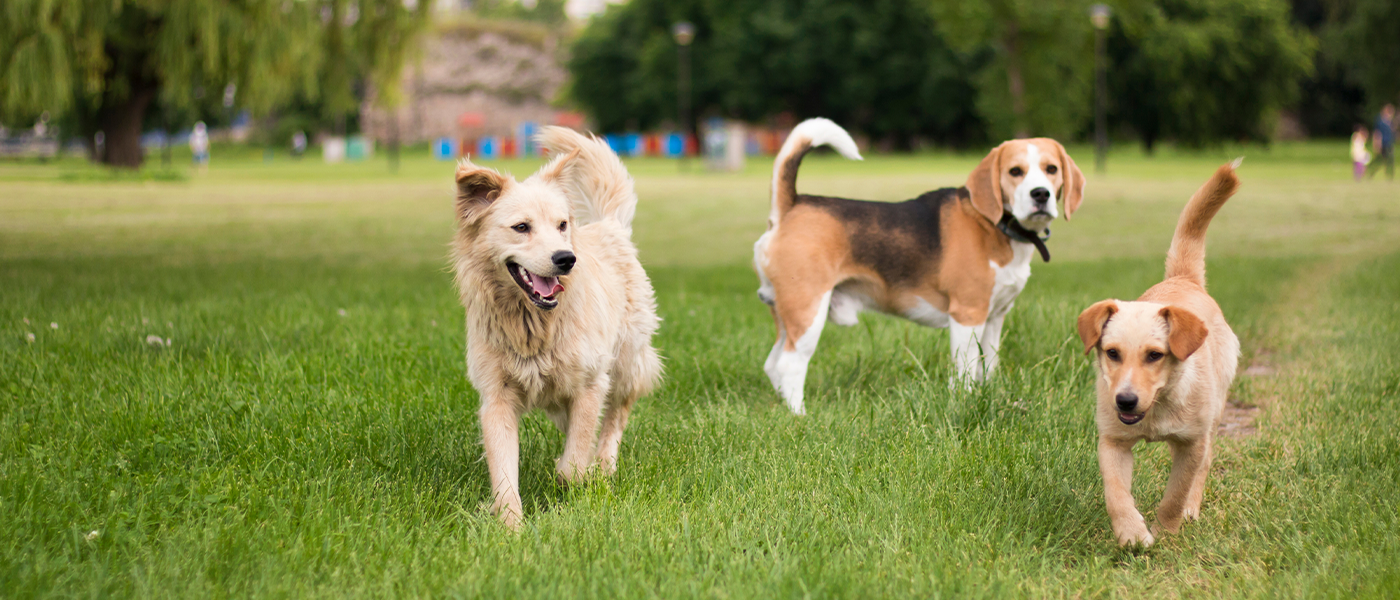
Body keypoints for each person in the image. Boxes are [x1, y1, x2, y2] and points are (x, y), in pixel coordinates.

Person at [1366, 104, 1394, 181]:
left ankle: (1389, 176)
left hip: (1388, 143)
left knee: (1390, 159)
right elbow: (1377, 133)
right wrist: (1376, 144)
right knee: (1380, 159)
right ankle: (1370, 170)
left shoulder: (1389, 121)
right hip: (1382, 143)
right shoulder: (1380, 121)